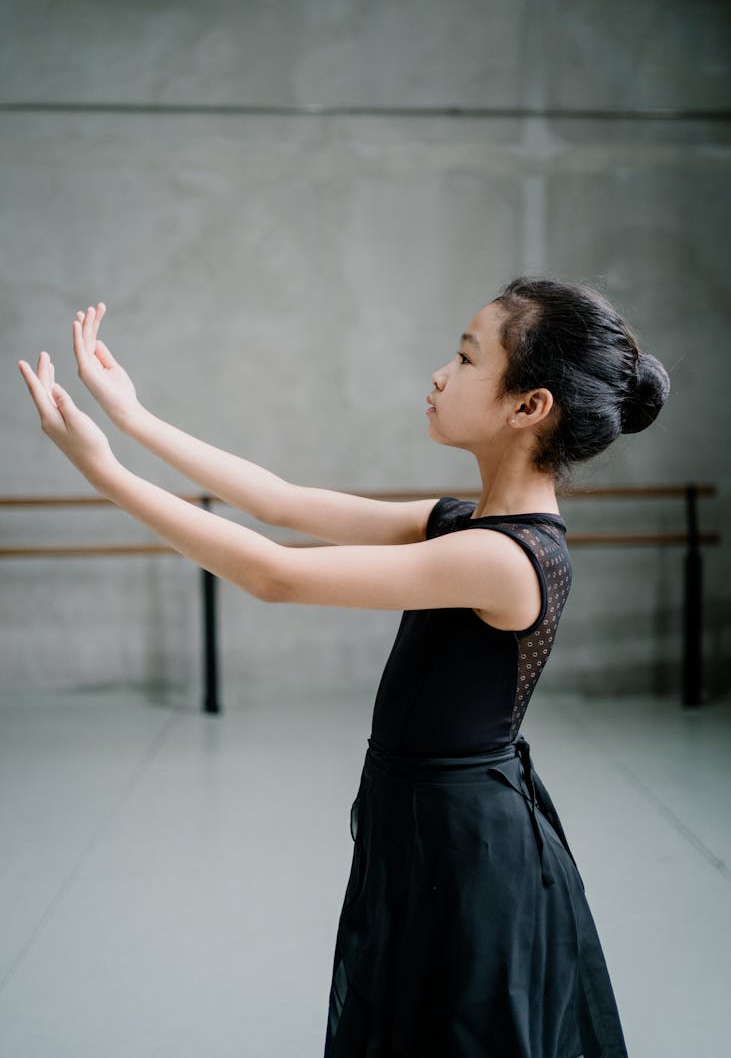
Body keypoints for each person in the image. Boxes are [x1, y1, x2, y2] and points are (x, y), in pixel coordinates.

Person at [18, 277, 669, 1057]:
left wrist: (106, 474)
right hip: (422, 831)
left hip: (470, 858)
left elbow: (275, 574)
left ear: (528, 406)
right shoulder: (464, 522)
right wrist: (132, 417)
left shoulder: (506, 558)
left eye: (465, 358)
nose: (438, 373)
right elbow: (282, 501)